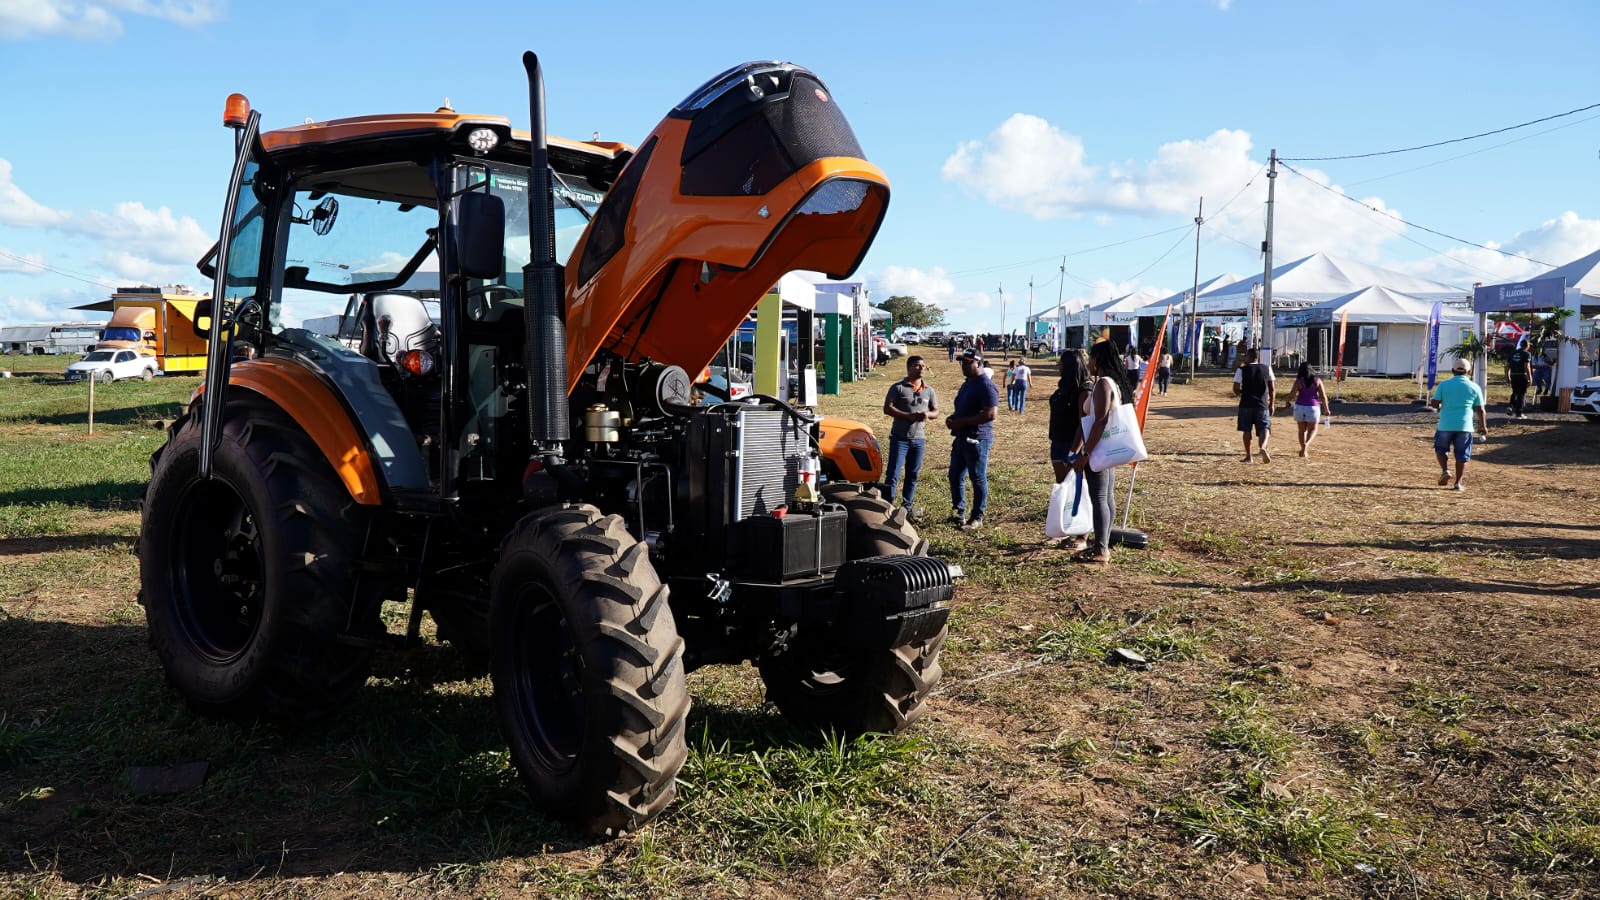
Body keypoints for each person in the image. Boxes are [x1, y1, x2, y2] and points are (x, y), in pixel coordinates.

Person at [1072, 341, 1136, 564]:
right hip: (1105, 448)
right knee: (1106, 497)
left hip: (1098, 448)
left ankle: (1101, 550)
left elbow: (1099, 421)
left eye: (1091, 358)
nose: (1088, 362)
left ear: (1098, 360)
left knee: (1099, 498)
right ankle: (1103, 544)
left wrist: (1085, 453)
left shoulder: (1102, 385)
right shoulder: (1113, 383)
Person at [946, 349, 999, 531]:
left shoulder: (986, 385)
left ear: (979, 363)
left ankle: (977, 517)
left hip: (977, 439)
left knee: (977, 478)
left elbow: (990, 414)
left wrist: (962, 422)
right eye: (962, 362)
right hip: (961, 437)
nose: (964, 365)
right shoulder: (968, 384)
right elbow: (964, 409)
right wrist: (953, 418)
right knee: (955, 475)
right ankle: (958, 513)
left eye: (968, 362)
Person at [1048, 349, 1093, 553]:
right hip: (1057, 442)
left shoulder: (1084, 390)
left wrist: (1074, 452)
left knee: (1077, 491)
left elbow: (1083, 424)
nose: (1059, 367)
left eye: (1062, 364)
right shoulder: (1064, 387)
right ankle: (1064, 529)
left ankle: (1082, 534)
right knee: (1063, 490)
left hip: (1072, 445)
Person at [1430, 357, 1488, 490]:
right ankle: (1458, 483)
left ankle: (1445, 470)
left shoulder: (1444, 385)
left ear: (1452, 370)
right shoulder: (1474, 387)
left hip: (1445, 424)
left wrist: (1440, 406)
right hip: (1465, 426)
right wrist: (1483, 426)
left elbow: (1434, 403)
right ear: (1469, 371)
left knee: (1441, 449)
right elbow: (1481, 409)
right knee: (1462, 455)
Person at [1232, 347, 1275, 463]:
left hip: (1246, 404)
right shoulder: (1267, 368)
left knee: (1247, 430)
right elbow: (1272, 389)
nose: (1244, 358)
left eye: (1246, 356)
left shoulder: (1242, 370)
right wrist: (1272, 404)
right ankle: (1263, 447)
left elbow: (1235, 388)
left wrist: (1242, 393)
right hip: (1262, 404)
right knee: (1264, 428)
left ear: (1249, 357)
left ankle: (1248, 456)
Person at [1280, 362, 1331, 458]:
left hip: (1299, 406)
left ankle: (1303, 448)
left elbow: (1292, 394)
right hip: (1313, 407)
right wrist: (1326, 409)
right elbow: (1323, 396)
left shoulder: (1299, 381)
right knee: (1313, 429)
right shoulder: (1317, 380)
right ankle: (1306, 446)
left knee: (1301, 430)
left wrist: (1287, 402)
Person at [1505, 340, 1533, 419]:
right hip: (1522, 375)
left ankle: (1510, 406)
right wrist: (1530, 377)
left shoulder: (1512, 353)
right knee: (1521, 394)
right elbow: (1526, 366)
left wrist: (1507, 376)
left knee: (1515, 392)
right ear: (1527, 345)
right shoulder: (1527, 354)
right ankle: (1519, 413)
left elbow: (1507, 366)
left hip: (1513, 375)